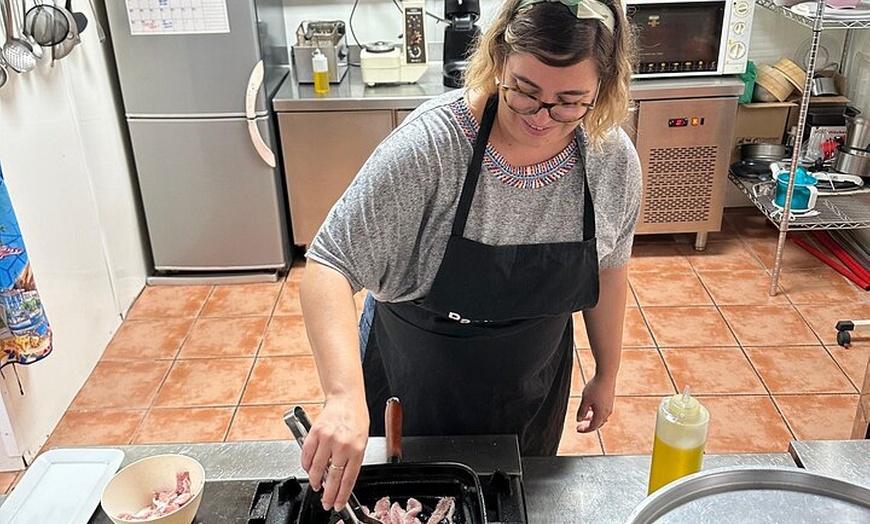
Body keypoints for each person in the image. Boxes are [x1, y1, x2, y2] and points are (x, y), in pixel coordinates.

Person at [298, 0, 641, 512]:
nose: (542, 118)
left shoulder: (609, 161)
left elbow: (608, 271)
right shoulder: (432, 149)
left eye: (570, 101)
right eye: (524, 90)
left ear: (604, 89)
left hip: (532, 388)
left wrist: (607, 373)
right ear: (499, 59)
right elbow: (328, 263)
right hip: (418, 386)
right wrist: (343, 397)